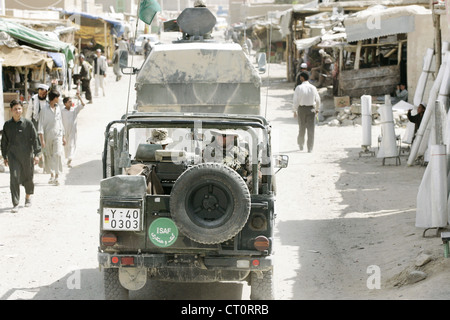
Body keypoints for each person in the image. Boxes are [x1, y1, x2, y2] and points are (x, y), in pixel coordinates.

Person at [1, 100, 41, 212]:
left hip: (27, 155)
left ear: (22, 109)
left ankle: (28, 197)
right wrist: (4, 156)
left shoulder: (28, 124)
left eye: (19, 109)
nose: (18, 111)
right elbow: (4, 142)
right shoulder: (7, 125)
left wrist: (37, 154)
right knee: (14, 177)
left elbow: (35, 139)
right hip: (13, 156)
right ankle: (15, 203)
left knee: (28, 177)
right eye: (15, 109)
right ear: (11, 110)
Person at [38, 90, 66, 186]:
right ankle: (52, 175)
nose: (59, 99)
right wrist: (42, 140)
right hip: (47, 136)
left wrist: (63, 136)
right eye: (57, 97)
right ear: (54, 98)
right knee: (49, 155)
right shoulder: (44, 110)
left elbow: (60, 122)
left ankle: (57, 176)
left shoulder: (58, 109)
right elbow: (40, 125)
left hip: (57, 134)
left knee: (57, 154)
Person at [293, 72, 321, 152]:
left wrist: (294, 110)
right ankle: (310, 148)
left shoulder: (299, 88)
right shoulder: (313, 88)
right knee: (311, 129)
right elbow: (318, 100)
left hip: (301, 109)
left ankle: (301, 145)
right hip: (311, 109)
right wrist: (317, 109)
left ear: (302, 78)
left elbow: (296, 101)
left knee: (301, 128)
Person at [61, 91, 86, 168]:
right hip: (64, 131)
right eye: (69, 102)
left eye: (71, 101)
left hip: (72, 130)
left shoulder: (74, 110)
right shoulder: (62, 111)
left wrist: (79, 97)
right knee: (66, 145)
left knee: (72, 144)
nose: (71, 103)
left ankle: (70, 158)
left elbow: (83, 105)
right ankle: (66, 159)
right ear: (65, 103)